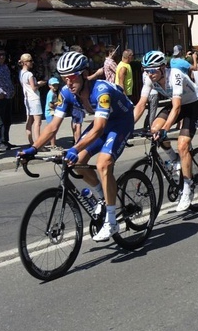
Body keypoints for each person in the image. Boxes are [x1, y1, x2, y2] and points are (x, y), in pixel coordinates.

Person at [19, 51, 134, 241]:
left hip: (121, 121)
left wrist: (74, 148)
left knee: (103, 164)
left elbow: (98, 129)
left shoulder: (101, 91)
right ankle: (103, 198)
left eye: (72, 78)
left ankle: (112, 221)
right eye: (65, 79)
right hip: (102, 122)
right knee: (79, 162)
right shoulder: (66, 93)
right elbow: (53, 126)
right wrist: (33, 148)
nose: (68, 83)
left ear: (83, 74)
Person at [134, 50, 198, 212]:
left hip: (192, 105)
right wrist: (127, 128)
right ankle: (175, 159)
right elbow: (140, 104)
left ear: (162, 67)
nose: (149, 74)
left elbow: (178, 107)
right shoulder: (148, 78)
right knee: (154, 128)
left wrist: (166, 130)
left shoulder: (176, 75)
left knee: (183, 144)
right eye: (146, 70)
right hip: (174, 104)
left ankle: (188, 187)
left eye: (152, 70)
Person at [0, 46, 16, 150]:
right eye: (0, 55)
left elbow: (8, 80)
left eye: (4, 55)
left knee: (7, 120)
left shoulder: (5, 67)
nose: (2, 57)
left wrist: (12, 89)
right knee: (0, 120)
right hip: (0, 96)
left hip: (8, 95)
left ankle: (5, 140)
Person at [19, 53, 46, 147]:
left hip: (27, 98)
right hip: (34, 98)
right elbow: (34, 87)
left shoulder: (21, 73)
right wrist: (40, 84)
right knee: (37, 122)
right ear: (25, 62)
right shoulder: (29, 74)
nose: (32, 63)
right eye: (30, 61)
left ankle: (31, 142)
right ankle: (38, 144)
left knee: (29, 121)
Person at [44, 77, 61, 150]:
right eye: (54, 85)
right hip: (50, 113)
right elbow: (50, 105)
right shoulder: (51, 94)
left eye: (56, 85)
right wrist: (58, 104)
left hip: (51, 112)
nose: (55, 87)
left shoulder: (53, 93)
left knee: (51, 128)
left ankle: (48, 141)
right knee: (53, 129)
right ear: (50, 86)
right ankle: (53, 144)